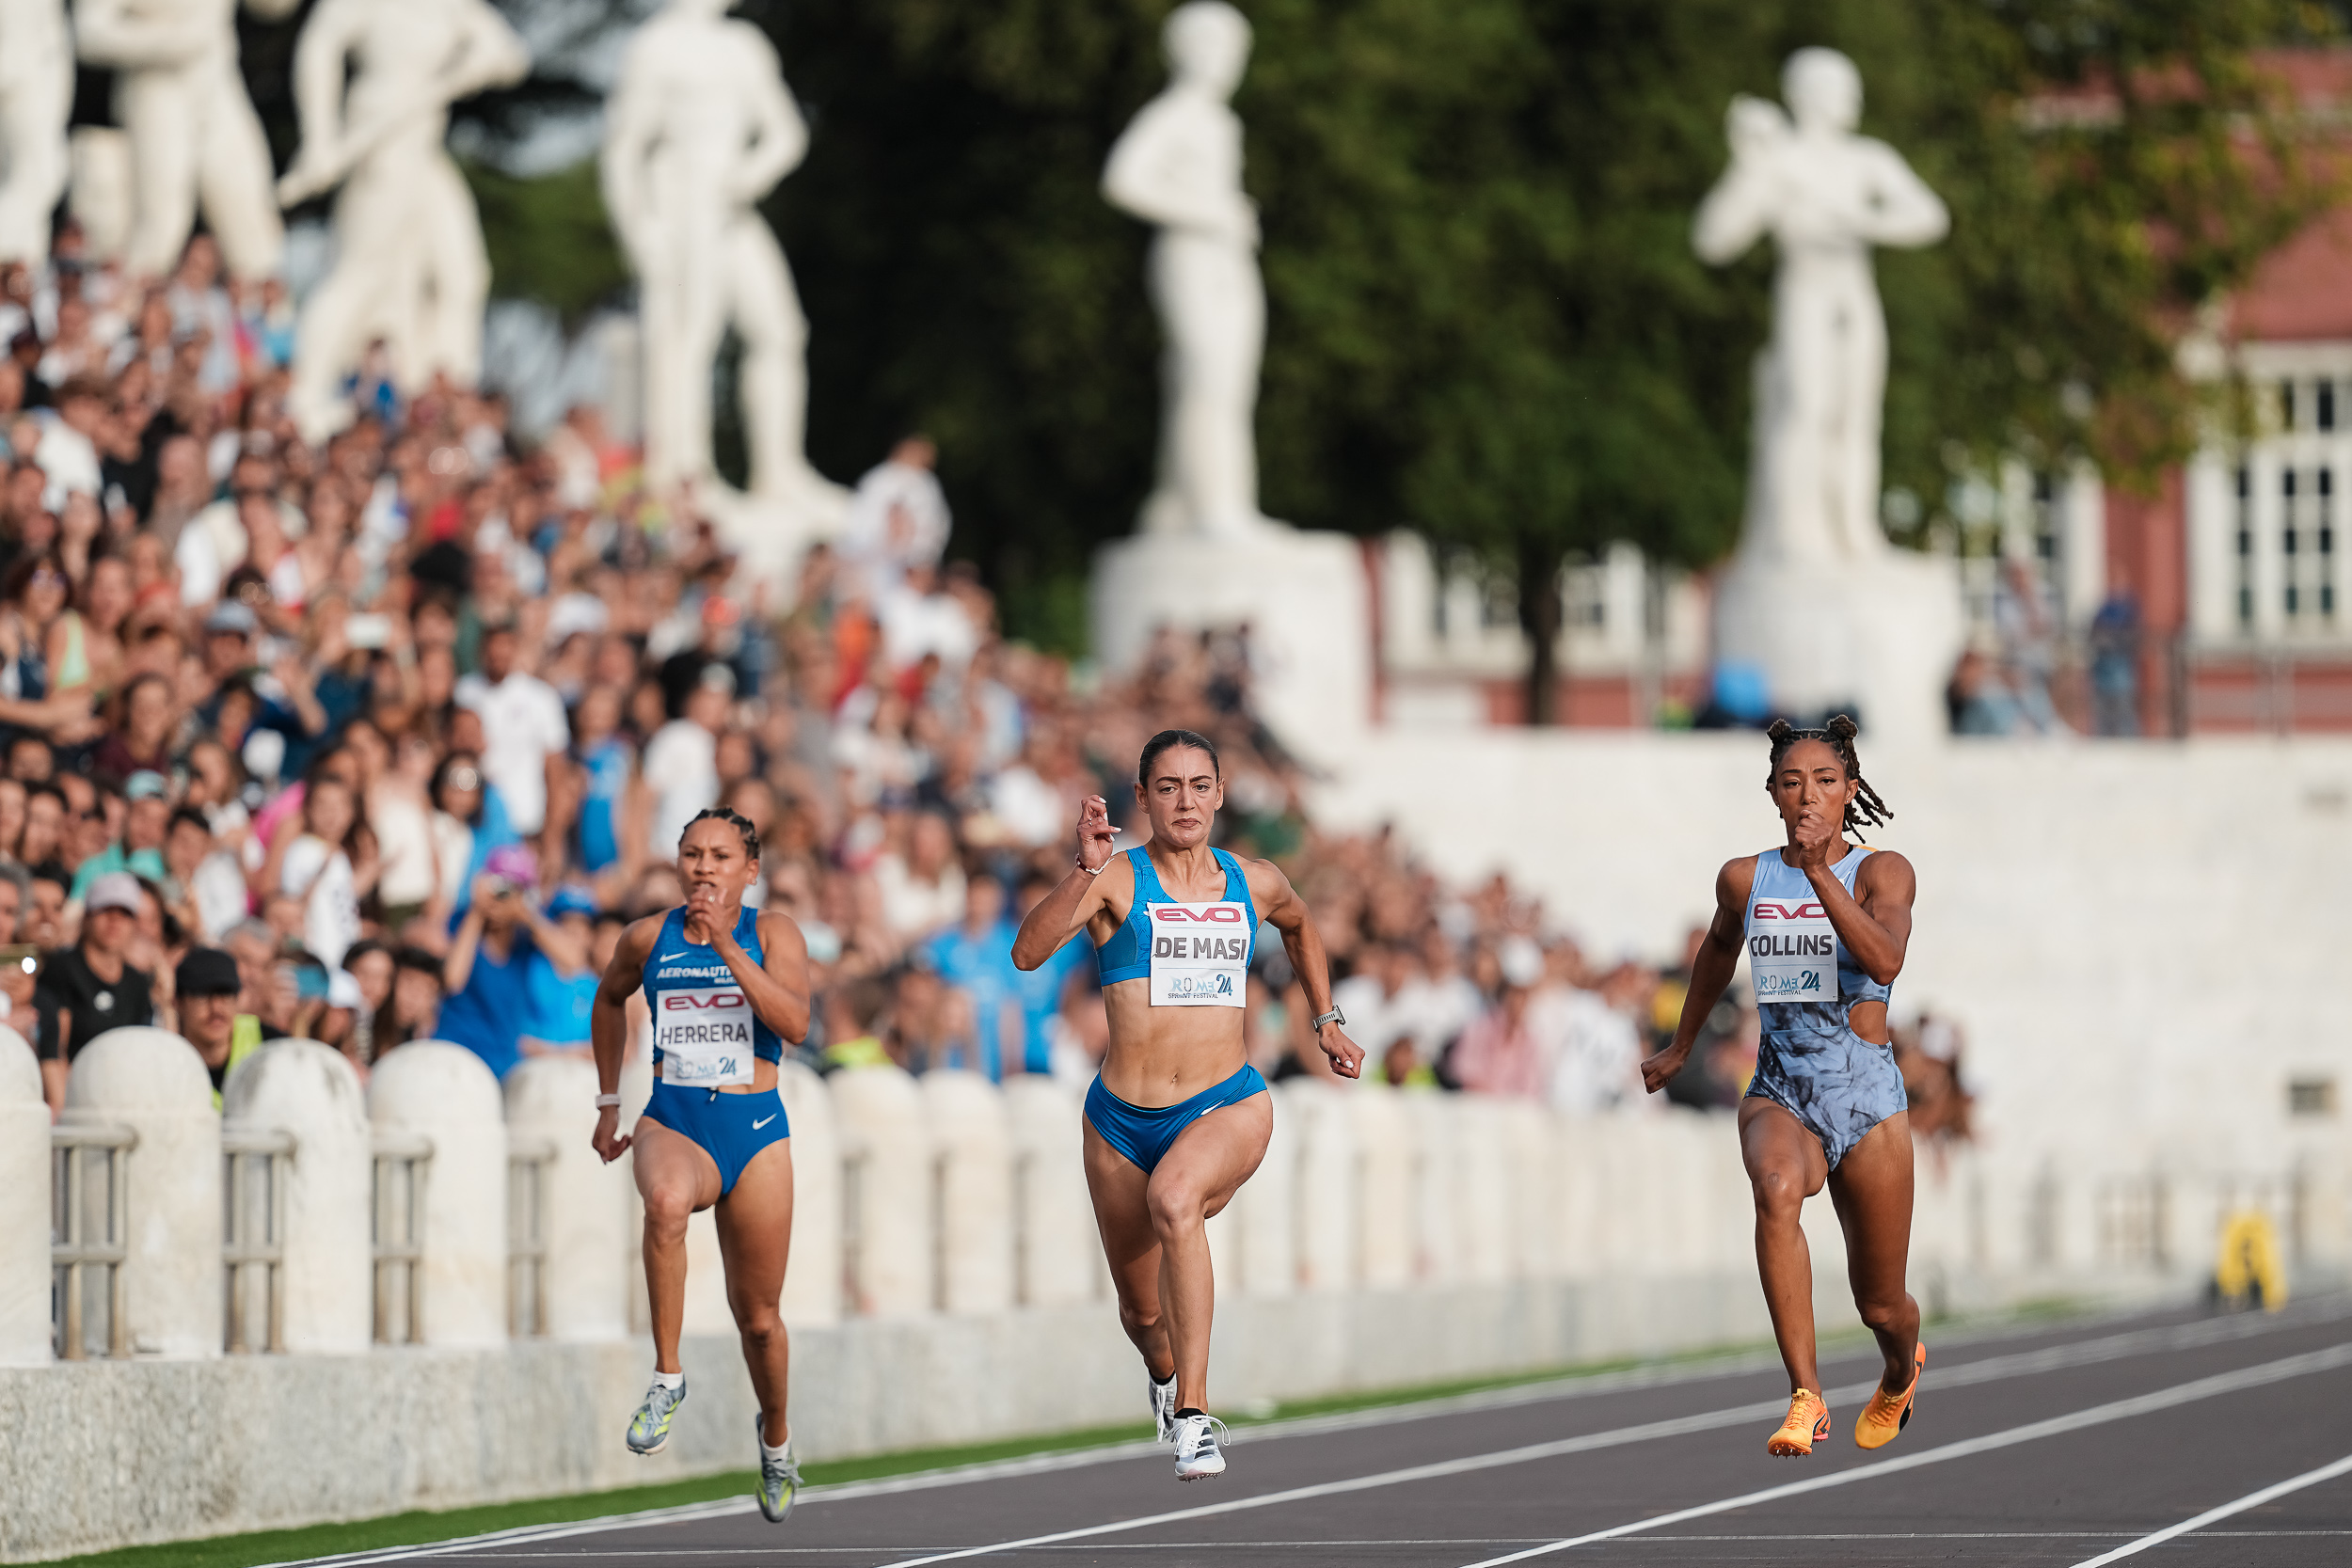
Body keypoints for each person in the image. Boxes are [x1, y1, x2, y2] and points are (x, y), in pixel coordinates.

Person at [1011, 729, 1362, 1481]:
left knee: (1176, 1200)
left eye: (1200, 785)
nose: (1186, 801)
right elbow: (1028, 952)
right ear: (1142, 798)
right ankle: (1166, 1375)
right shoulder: (1116, 879)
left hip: (1224, 1103)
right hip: (1120, 1121)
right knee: (1142, 1315)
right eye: (1167, 787)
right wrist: (1084, 869)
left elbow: (1300, 923)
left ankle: (1196, 1418)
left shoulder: (1254, 881)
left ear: (1221, 793)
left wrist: (1326, 1018)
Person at [1641, 715, 1923, 1458]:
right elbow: (1716, 952)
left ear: (1849, 790)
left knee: (1881, 1304)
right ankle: (1806, 1395)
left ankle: (1901, 1370)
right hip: (1781, 1087)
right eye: (1792, 782)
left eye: (1825, 781)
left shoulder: (1882, 871)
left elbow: (1886, 959)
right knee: (1774, 1188)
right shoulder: (1745, 878)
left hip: (1866, 1099)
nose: (1808, 795)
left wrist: (1820, 872)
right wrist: (1681, 1045)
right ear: (1772, 792)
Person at [591, 806, 811, 1524]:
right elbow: (608, 997)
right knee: (662, 1203)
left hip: (754, 1129)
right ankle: (667, 1375)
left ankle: (776, 1439)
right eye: (692, 853)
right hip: (674, 1119)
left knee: (760, 1319)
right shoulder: (647, 936)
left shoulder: (773, 932)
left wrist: (725, 946)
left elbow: (795, 1022)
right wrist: (608, 1101)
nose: (704, 867)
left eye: (720, 855)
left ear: (750, 870)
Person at [439, 846, 585, 1080]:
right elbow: (452, 981)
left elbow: (574, 962)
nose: (502, 898)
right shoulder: (461, 921)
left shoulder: (525, 935)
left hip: (503, 1061)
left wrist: (527, 914)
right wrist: (477, 912)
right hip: (457, 1057)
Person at [31, 870, 155, 1115]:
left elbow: (144, 1049)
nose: (114, 921)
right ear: (87, 917)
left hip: (123, 1099)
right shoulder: (62, 969)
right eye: (105, 910)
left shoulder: (137, 982)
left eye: (124, 913)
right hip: (76, 1100)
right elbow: (56, 1048)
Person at [177, 945, 257, 1106]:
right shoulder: (163, 1060)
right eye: (202, 995)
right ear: (178, 1003)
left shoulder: (268, 1041)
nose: (216, 1009)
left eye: (225, 994)